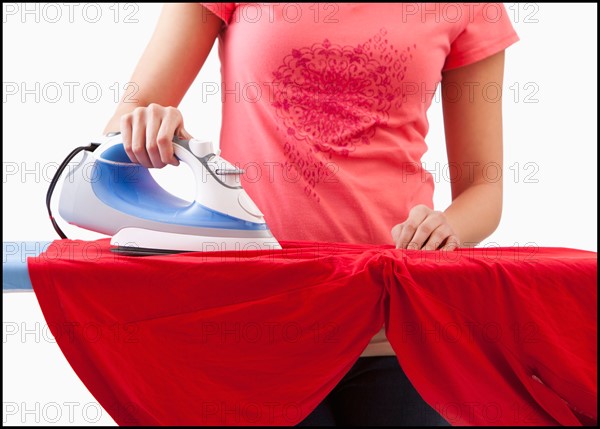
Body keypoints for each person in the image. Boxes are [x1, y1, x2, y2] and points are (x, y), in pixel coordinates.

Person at [103, 3, 519, 426]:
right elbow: (122, 129)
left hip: (397, 323)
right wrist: (148, 122)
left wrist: (447, 227)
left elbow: (484, 188)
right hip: (258, 321)